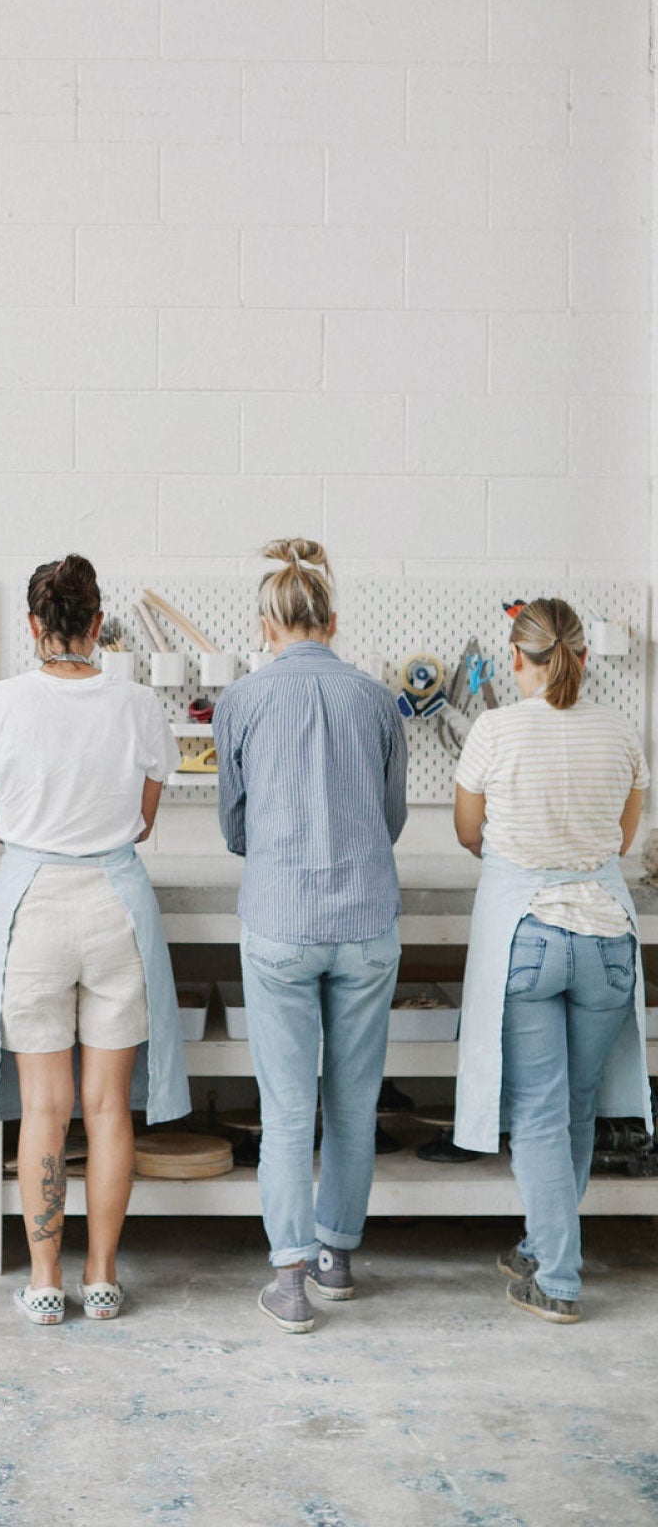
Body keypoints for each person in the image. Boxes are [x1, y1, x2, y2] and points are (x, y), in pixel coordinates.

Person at [0, 554, 188, 1326]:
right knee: (109, 1107)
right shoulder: (138, 704)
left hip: (35, 907)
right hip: (116, 901)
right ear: (97, 625)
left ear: (32, 627)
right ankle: (105, 1277)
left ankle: (46, 1280)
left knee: (46, 1108)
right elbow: (145, 821)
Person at [214, 539, 408, 1334]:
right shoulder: (376, 698)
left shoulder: (243, 701)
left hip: (281, 922)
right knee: (354, 1103)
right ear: (331, 620)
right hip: (365, 921)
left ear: (267, 625)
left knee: (288, 1109)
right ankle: (338, 1258)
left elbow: (234, 823)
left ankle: (288, 1279)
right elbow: (391, 818)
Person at [453, 597, 651, 1324]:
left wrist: (517, 850)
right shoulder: (621, 731)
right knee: (572, 1108)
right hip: (606, 941)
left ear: (516, 659)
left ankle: (559, 1279)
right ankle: (542, 1244)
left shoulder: (495, 729)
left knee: (536, 1111)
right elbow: (623, 841)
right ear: (584, 657)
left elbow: (468, 831)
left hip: (530, 938)